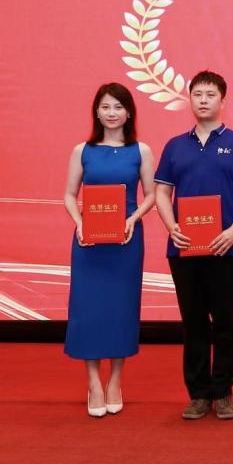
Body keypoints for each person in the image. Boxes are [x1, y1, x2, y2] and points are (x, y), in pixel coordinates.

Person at [153, 70, 233, 420]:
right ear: (190, 99)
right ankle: (199, 394)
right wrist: (171, 226)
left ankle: (224, 391)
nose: (203, 100)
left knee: (227, 321)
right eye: (197, 94)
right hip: (184, 248)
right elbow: (161, 192)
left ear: (222, 101)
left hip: (228, 247)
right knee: (194, 321)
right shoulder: (175, 145)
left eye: (210, 94)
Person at [63, 83, 155, 417]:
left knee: (121, 309)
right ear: (96, 112)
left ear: (129, 112)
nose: (112, 113)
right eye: (105, 107)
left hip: (126, 241)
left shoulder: (141, 150)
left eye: (118, 107)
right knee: (88, 310)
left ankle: (115, 380)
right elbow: (70, 195)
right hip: (89, 242)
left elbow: (151, 195)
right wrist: (79, 222)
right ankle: (93, 384)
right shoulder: (82, 151)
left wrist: (134, 217)